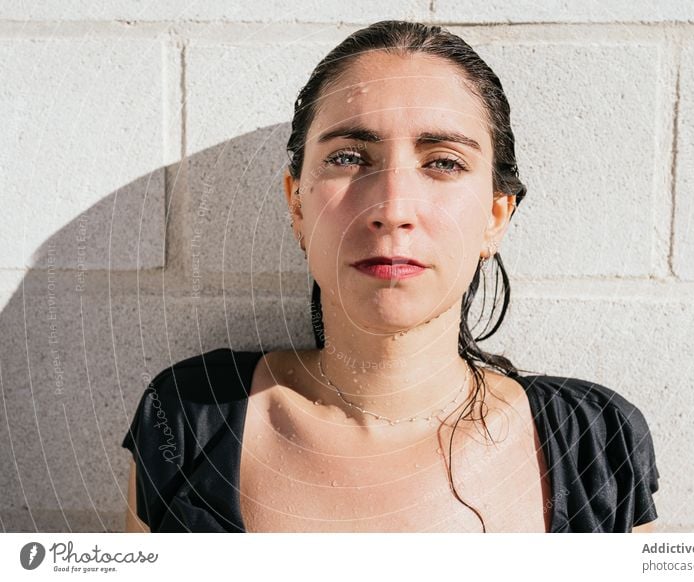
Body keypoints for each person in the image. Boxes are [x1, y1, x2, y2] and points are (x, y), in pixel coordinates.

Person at [122, 20, 659, 533]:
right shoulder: (189, 418)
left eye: (443, 162)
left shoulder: (594, 443)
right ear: (297, 206)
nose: (391, 207)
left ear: (495, 217)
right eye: (350, 157)